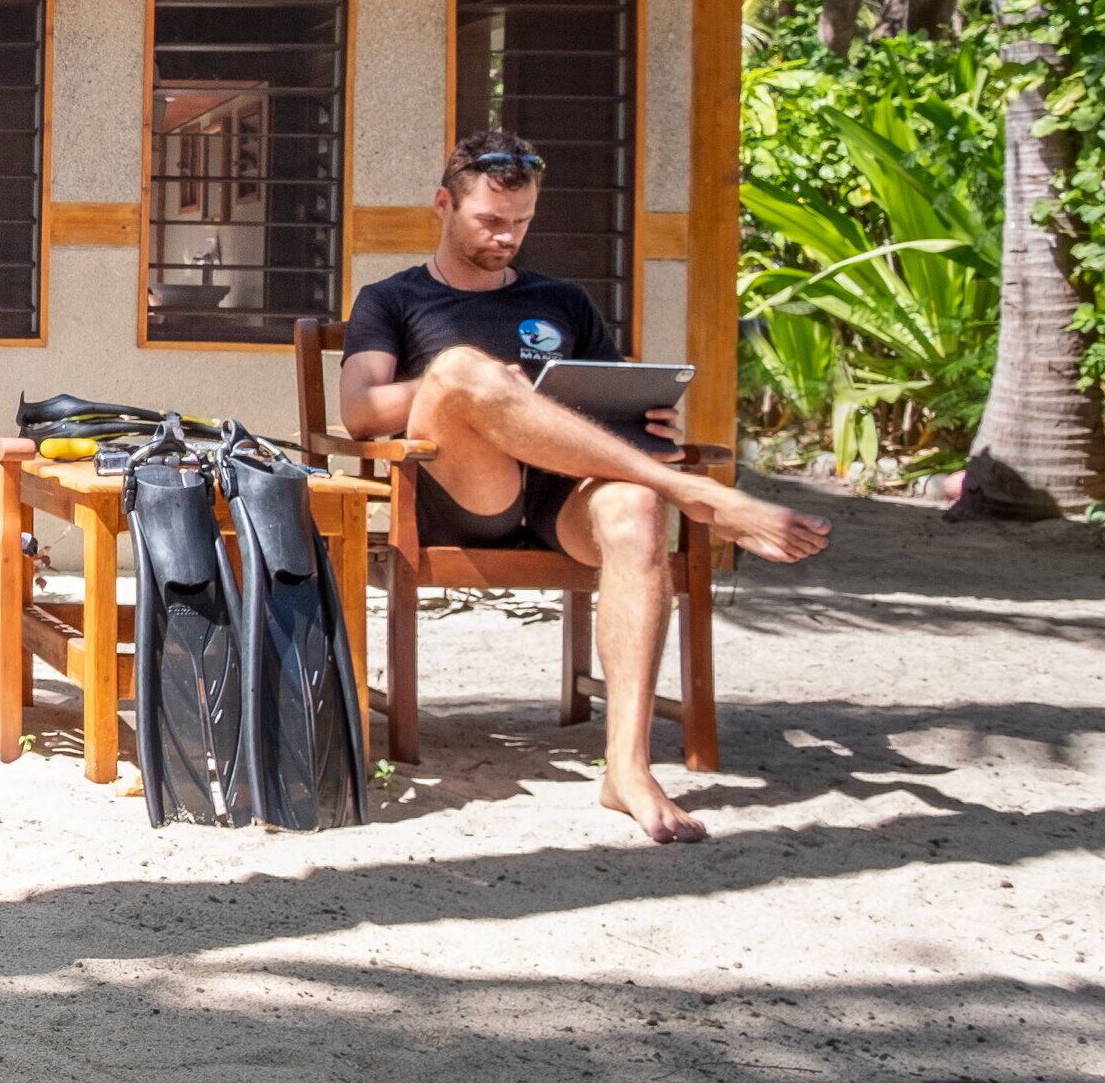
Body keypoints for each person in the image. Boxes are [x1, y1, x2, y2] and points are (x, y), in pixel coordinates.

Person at [339, 131, 830, 844]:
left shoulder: (562, 301)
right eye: (489, 220)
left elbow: (610, 393)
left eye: (522, 222)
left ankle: (627, 767)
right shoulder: (393, 299)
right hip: (467, 495)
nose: (508, 236)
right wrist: (480, 387)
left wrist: (644, 409)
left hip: (565, 498)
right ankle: (701, 495)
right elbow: (359, 409)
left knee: (635, 506)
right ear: (444, 205)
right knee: (458, 370)